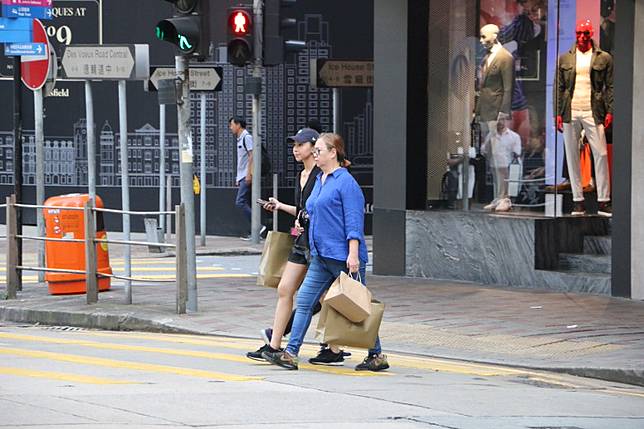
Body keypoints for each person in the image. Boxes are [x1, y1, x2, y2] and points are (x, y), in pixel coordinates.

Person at [262, 133, 389, 372]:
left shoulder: (346, 183)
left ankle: (377, 355)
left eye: (319, 150)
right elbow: (311, 210)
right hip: (321, 256)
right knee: (305, 301)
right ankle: (290, 353)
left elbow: (354, 222)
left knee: (356, 306)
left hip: (344, 257)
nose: (315, 154)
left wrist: (353, 255)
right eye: (315, 150)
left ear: (333, 153)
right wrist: (303, 222)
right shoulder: (321, 179)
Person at [555, 19, 613, 217]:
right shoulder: (565, 59)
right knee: (571, 155)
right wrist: (558, 113)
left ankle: (603, 200)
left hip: (593, 110)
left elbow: (610, 86)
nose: (582, 37)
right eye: (579, 33)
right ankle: (578, 200)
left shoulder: (603, 58)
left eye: (585, 33)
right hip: (571, 110)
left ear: (592, 33)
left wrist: (610, 110)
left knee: (601, 153)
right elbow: (559, 87)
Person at [481, 118, 522, 212]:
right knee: (497, 184)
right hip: (494, 164)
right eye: (498, 120)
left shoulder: (514, 136)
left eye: (503, 120)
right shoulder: (491, 135)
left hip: (507, 165)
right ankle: (497, 200)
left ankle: (505, 201)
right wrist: (490, 140)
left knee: (506, 185)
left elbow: (517, 153)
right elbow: (484, 150)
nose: (500, 122)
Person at [229, 117, 256, 239]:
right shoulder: (240, 139)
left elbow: (252, 156)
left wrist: (248, 174)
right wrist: (238, 177)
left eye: (232, 125)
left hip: (246, 175)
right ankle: (255, 229)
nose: (231, 127)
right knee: (244, 202)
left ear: (238, 125)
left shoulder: (247, 137)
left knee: (240, 202)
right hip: (242, 176)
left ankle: (257, 227)